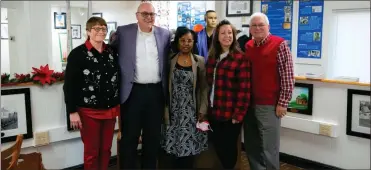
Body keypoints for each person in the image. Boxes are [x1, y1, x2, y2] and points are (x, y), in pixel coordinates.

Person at [110, 2, 171, 169]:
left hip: (156, 93)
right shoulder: (123, 32)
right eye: (145, 14)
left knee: (152, 139)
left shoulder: (165, 34)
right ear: (137, 15)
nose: (149, 17)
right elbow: (110, 52)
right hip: (132, 93)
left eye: (152, 14)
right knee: (129, 139)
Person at [63, 17, 120, 170]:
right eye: (96, 29)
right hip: (88, 111)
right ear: (88, 31)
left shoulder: (112, 52)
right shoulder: (77, 54)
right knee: (92, 152)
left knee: (106, 149)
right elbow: (69, 86)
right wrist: (72, 112)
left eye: (103, 29)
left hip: (110, 110)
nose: (101, 32)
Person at [244, 12, 295, 170]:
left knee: (269, 148)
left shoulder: (279, 45)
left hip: (269, 105)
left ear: (268, 27)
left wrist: (283, 103)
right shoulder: (248, 46)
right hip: (249, 104)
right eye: (254, 25)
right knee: (252, 146)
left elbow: (287, 76)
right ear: (250, 29)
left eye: (261, 25)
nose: (258, 28)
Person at [206, 19, 251, 169]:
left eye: (230, 32)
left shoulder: (240, 58)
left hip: (230, 114)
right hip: (214, 111)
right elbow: (208, 84)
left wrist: (238, 115)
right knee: (217, 144)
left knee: (229, 150)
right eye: (223, 33)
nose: (227, 36)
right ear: (217, 37)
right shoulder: (213, 57)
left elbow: (244, 90)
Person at [162, 27, 208, 169]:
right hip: (173, 110)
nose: (186, 44)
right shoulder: (170, 60)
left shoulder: (199, 61)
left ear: (194, 42)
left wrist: (202, 109)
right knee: (173, 145)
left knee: (189, 145)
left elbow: (204, 87)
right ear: (177, 42)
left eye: (189, 41)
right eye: (182, 40)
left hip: (191, 111)